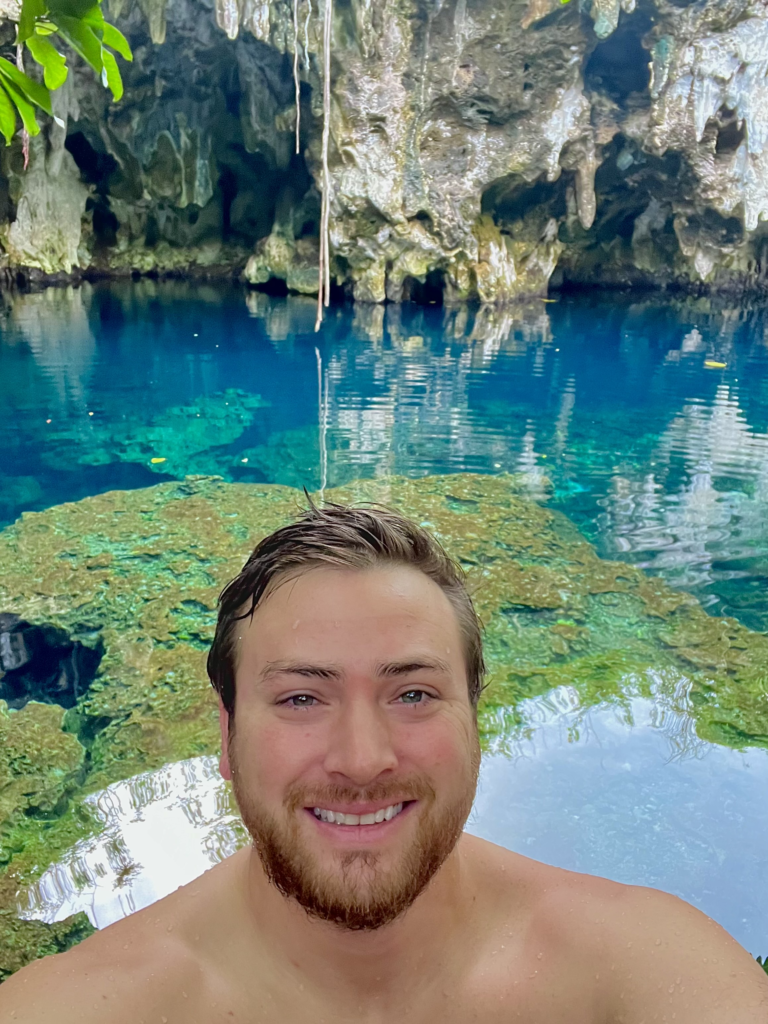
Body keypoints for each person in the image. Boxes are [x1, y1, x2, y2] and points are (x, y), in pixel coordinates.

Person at [2, 503, 767, 1023]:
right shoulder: (93, 1006)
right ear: (226, 739)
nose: (362, 760)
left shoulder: (638, 976)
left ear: (477, 722)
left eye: (413, 693)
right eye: (302, 698)